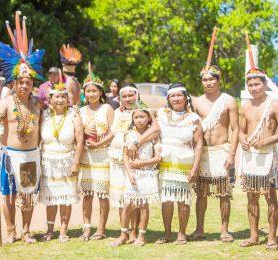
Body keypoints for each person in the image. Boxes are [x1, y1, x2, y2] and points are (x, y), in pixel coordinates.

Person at [0, 11, 45, 243]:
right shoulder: (5, 102)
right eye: (21, 82)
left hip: (31, 155)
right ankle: (11, 230)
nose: (24, 85)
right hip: (10, 155)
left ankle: (26, 230)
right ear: (14, 83)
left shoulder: (38, 104)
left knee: (28, 196)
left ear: (32, 84)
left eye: (28, 82)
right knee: (9, 194)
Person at [239, 39, 278, 249]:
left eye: (257, 84)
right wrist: (242, 139)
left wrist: (267, 140)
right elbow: (241, 129)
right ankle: (253, 235)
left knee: (270, 197)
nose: (253, 87)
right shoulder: (246, 105)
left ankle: (272, 237)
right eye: (250, 84)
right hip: (250, 156)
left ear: (265, 84)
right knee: (251, 198)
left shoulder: (275, 104)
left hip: (268, 155)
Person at [190, 65, 239, 242]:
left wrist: (232, 154)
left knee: (224, 193)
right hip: (203, 151)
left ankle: (224, 230)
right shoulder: (196, 102)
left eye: (212, 79)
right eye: (205, 79)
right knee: (201, 193)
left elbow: (235, 128)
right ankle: (199, 229)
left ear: (219, 80)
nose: (209, 82)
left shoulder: (229, 101)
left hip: (222, 150)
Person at [109, 82, 160, 242]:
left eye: (131, 95)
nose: (128, 98)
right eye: (124, 96)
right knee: (123, 199)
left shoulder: (144, 110)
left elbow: (156, 129)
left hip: (140, 162)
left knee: (139, 200)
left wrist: (137, 142)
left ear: (137, 95)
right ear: (120, 97)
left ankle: (135, 231)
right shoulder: (117, 112)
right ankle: (124, 231)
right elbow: (113, 133)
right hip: (120, 159)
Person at [156, 83, 203, 245]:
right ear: (168, 98)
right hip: (165, 163)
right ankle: (167, 233)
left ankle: (181, 234)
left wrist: (195, 168)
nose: (176, 98)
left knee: (183, 199)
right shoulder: (161, 114)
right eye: (172, 96)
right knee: (167, 199)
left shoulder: (194, 118)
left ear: (186, 97)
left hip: (185, 163)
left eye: (179, 95)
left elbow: (198, 145)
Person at [38, 73, 84, 242]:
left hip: (67, 161)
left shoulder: (74, 115)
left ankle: (63, 231)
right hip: (47, 161)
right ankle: (50, 230)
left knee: (65, 197)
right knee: (50, 198)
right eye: (56, 97)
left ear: (67, 99)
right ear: (50, 99)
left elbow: (80, 141)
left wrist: (75, 163)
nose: (59, 100)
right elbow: (37, 139)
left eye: (63, 97)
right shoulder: (45, 115)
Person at [78, 70, 115, 241]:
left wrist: (99, 143)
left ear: (101, 92)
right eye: (88, 91)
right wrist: (83, 131)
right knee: (86, 194)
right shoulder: (81, 110)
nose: (91, 94)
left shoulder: (107, 108)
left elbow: (114, 132)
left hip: (103, 155)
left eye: (94, 91)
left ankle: (101, 228)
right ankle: (86, 227)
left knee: (102, 194)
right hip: (86, 156)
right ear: (84, 93)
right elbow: (76, 133)